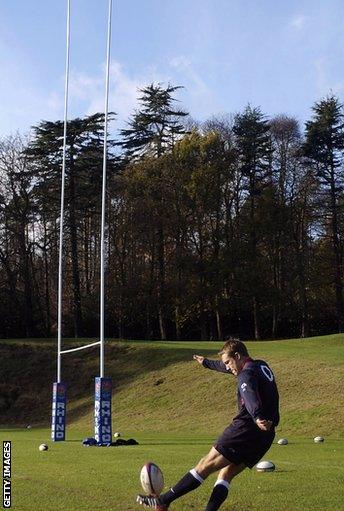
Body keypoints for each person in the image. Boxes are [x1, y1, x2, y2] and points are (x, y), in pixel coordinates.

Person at [136, 338, 280, 511]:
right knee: (226, 474)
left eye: (228, 362)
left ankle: (163, 500)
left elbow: (248, 394)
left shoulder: (245, 375)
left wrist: (257, 416)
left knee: (204, 466)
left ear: (238, 355)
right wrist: (206, 363)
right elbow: (232, 371)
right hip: (265, 436)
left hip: (245, 429)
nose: (227, 366)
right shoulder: (259, 366)